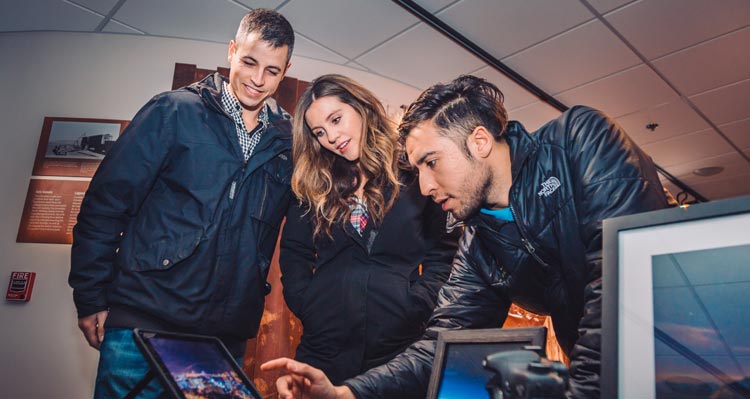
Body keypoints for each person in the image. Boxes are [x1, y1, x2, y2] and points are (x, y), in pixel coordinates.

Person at [261, 75, 668, 399]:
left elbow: (619, 287)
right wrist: (347, 392)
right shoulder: (479, 241)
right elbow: (443, 343)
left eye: (431, 162)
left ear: (479, 141)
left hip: (677, 357)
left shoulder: (581, 140)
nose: (422, 186)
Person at [68, 9, 295, 398]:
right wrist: (90, 297)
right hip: (142, 324)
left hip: (222, 339)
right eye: (250, 62)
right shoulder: (172, 111)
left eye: (272, 71)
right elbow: (105, 205)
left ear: (286, 70)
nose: (258, 80)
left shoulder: (288, 142)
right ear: (231, 51)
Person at [279, 74, 460, 385]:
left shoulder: (413, 169)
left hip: (396, 348)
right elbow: (294, 253)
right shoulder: (313, 181)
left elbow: (443, 252)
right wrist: (309, 305)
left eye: (337, 119)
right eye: (320, 132)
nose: (332, 137)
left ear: (360, 107)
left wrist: (415, 304)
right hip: (323, 348)